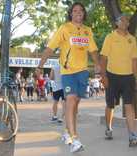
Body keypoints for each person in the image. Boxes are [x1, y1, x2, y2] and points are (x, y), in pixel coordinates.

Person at [35, 2, 100, 153]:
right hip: (68, 72)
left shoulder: (87, 31)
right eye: (75, 11)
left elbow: (93, 50)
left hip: (83, 72)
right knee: (70, 101)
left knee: (75, 106)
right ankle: (74, 139)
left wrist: (97, 64)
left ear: (84, 14)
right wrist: (40, 66)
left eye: (81, 11)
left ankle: (66, 132)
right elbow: (50, 48)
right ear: (71, 14)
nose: (78, 13)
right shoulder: (64, 28)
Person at [100, 13, 137, 147]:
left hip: (128, 77)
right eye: (123, 20)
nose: (126, 22)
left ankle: (132, 137)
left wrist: (136, 78)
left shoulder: (132, 39)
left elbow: (134, 60)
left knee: (129, 105)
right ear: (117, 23)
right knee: (110, 105)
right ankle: (108, 128)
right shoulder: (110, 37)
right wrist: (104, 77)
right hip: (112, 76)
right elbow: (104, 58)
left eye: (127, 21)